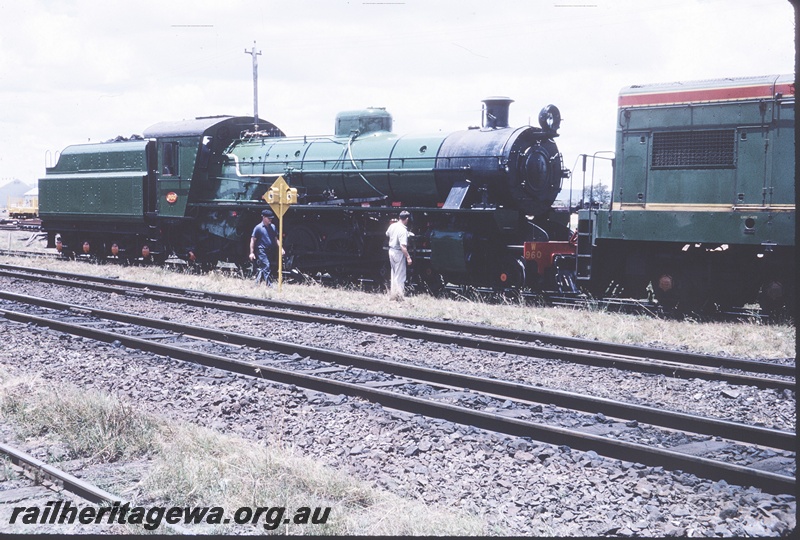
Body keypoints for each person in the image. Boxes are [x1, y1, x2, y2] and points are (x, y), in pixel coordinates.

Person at [385, 210, 412, 301]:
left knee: (394, 273)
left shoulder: (392, 226)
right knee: (400, 275)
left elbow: (387, 234)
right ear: (407, 218)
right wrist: (408, 257)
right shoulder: (403, 230)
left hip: (391, 250)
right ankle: (399, 296)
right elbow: (403, 246)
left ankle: (393, 294)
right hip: (398, 252)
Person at [250, 208, 279, 286]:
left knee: (264, 267)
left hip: (270, 250)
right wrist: (252, 253)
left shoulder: (273, 227)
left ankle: (256, 284)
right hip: (261, 250)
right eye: (269, 218)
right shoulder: (258, 228)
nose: (270, 220)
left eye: (271, 218)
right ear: (263, 217)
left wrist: (281, 248)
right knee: (266, 265)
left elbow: (276, 239)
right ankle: (269, 285)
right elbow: (253, 240)